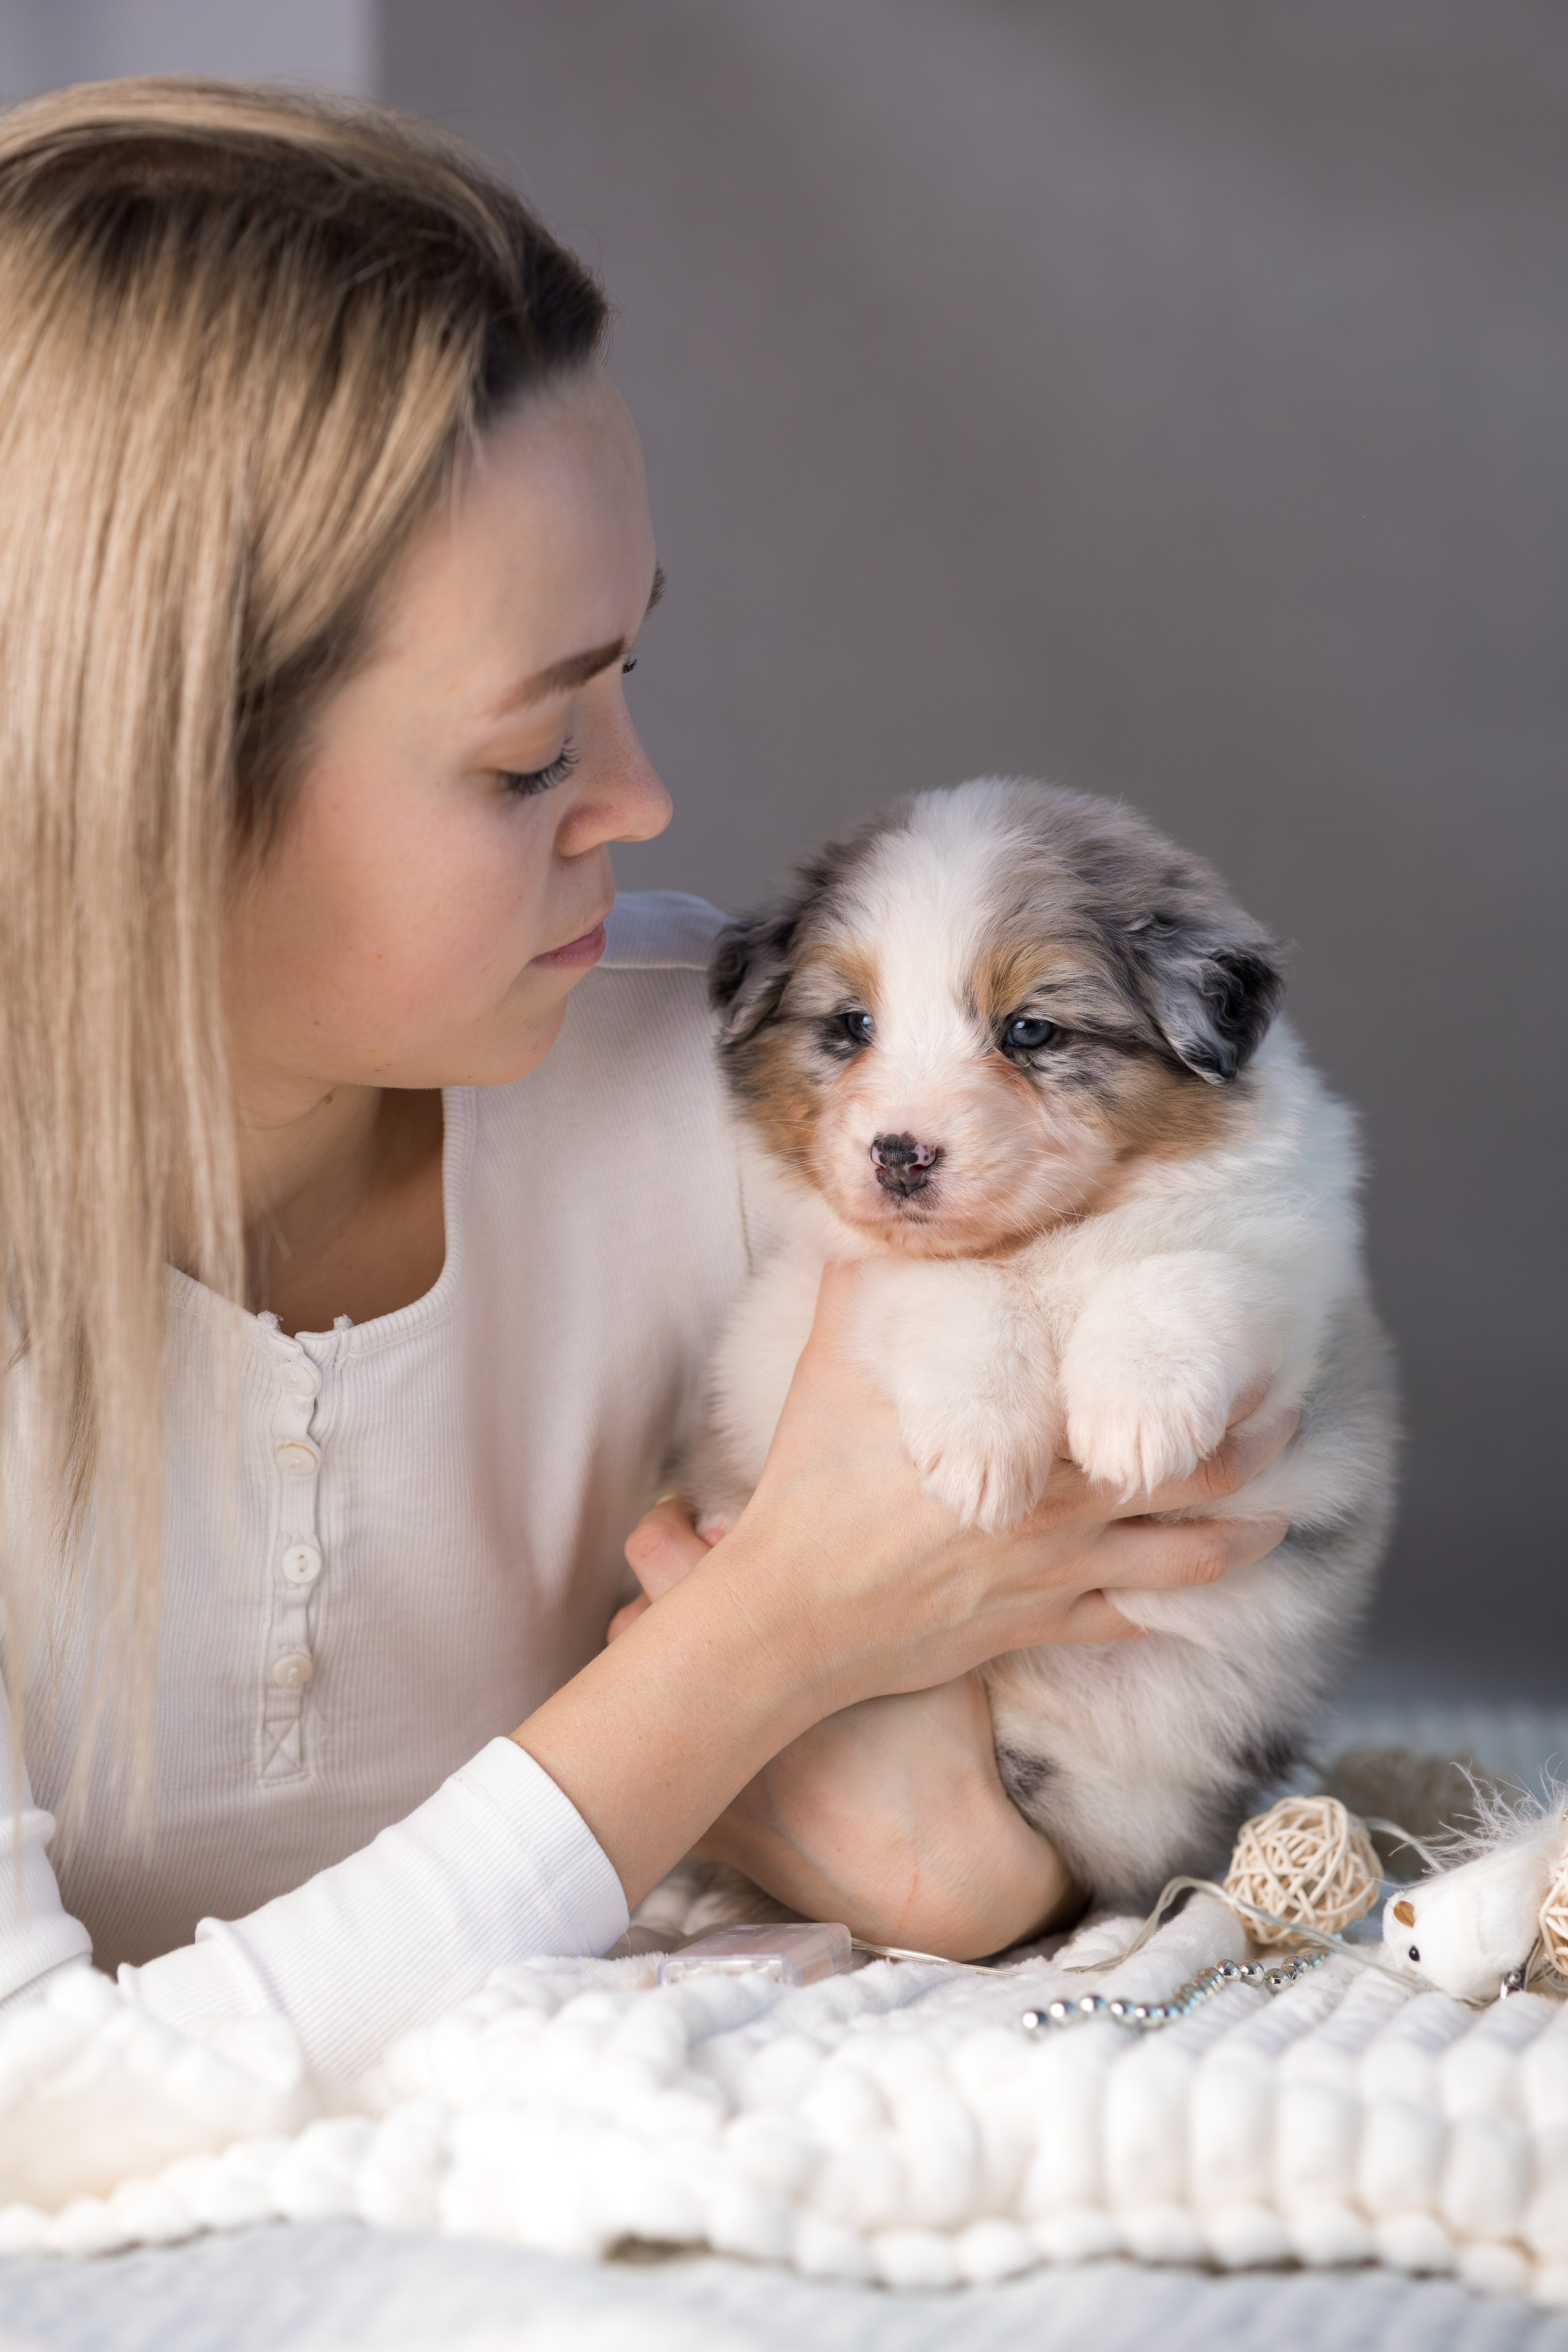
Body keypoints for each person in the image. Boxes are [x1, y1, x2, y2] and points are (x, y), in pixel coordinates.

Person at [0, 80, 1292, 2082]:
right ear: (139, 798)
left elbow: (1185, 1527)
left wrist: (996, 1884)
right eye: (528, 758)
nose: (646, 797)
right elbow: (42, 2103)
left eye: (631, 671)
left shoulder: (741, 1092)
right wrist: (755, 1647)